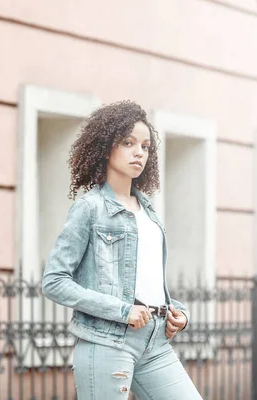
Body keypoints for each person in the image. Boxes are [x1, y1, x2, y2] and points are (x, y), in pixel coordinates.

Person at [41, 100, 202, 399]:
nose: (139, 151)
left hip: (155, 341)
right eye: (128, 143)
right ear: (105, 148)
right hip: (107, 342)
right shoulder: (90, 208)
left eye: (145, 146)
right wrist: (123, 311)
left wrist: (176, 311)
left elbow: (142, 281)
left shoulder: (149, 211)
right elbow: (54, 282)